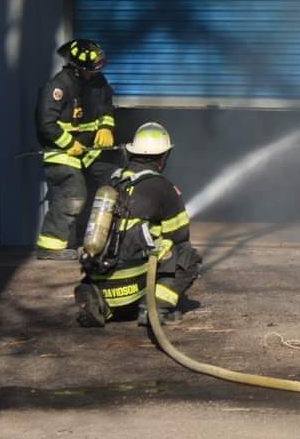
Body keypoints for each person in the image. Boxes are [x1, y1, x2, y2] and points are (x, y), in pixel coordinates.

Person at [74, 121, 202, 328]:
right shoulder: (163, 188)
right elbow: (180, 234)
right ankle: (155, 308)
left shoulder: (111, 182)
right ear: (163, 157)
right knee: (187, 255)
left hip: (104, 280)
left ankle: (102, 305)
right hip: (134, 284)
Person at [35, 39, 118, 260]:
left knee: (115, 182)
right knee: (74, 194)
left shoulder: (97, 81)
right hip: (62, 153)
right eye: (90, 70)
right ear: (76, 68)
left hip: (90, 151)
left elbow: (106, 105)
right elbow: (46, 124)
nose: (94, 74)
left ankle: (112, 241)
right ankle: (50, 247)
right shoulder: (58, 87)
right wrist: (69, 144)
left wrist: (107, 126)